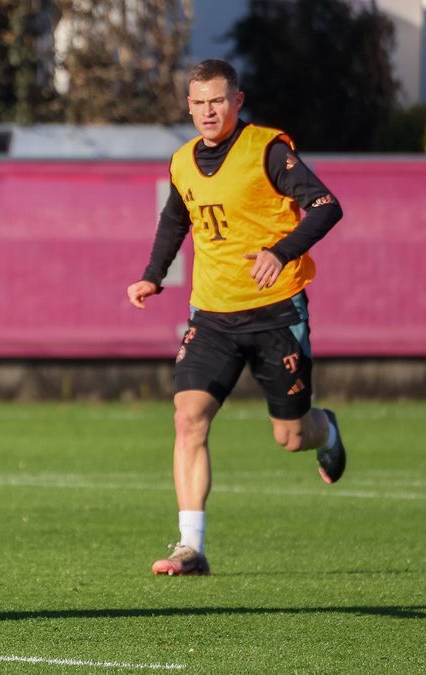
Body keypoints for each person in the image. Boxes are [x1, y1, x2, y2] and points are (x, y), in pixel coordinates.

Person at [126, 59, 347, 576]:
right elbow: (175, 218)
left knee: (290, 437)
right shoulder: (181, 161)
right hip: (212, 314)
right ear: (188, 105)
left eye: (218, 101)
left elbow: (325, 205)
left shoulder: (266, 149)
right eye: (199, 102)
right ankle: (190, 546)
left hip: (275, 312)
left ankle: (327, 432)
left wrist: (281, 250)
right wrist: (153, 275)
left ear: (237, 101)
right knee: (188, 418)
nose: (208, 111)